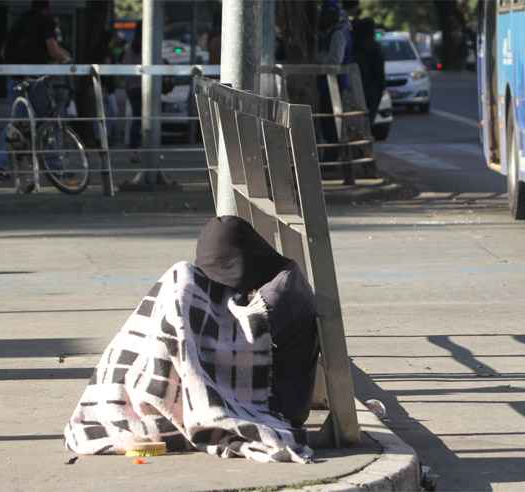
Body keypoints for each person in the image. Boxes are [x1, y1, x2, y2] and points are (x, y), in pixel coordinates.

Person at [64, 216, 318, 463]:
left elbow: (237, 344)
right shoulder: (266, 277)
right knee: (179, 288)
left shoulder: (281, 292)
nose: (214, 284)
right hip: (247, 391)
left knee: (181, 290)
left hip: (272, 404)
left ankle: (147, 403)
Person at [0, 0, 70, 181]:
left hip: (15, 78)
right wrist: (67, 59)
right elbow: (53, 50)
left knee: (15, 123)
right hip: (35, 79)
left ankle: (1, 166)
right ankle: (55, 167)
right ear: (48, 7)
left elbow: (4, 51)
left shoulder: (21, 20)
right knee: (48, 120)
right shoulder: (46, 21)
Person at [316, 0, 354, 184]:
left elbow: (334, 62)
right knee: (327, 124)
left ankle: (333, 163)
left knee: (334, 126)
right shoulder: (329, 32)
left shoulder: (338, 34)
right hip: (327, 86)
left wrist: (315, 60)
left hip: (335, 86)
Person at [351, 18, 385, 126]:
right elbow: (380, 74)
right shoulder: (374, 47)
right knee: (367, 124)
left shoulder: (353, 47)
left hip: (355, 90)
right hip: (371, 91)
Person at [122, 23, 143, 163]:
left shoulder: (130, 48)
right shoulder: (147, 48)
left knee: (137, 118)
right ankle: (138, 149)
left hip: (131, 87)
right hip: (142, 86)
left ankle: (134, 149)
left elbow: (125, 67)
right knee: (142, 119)